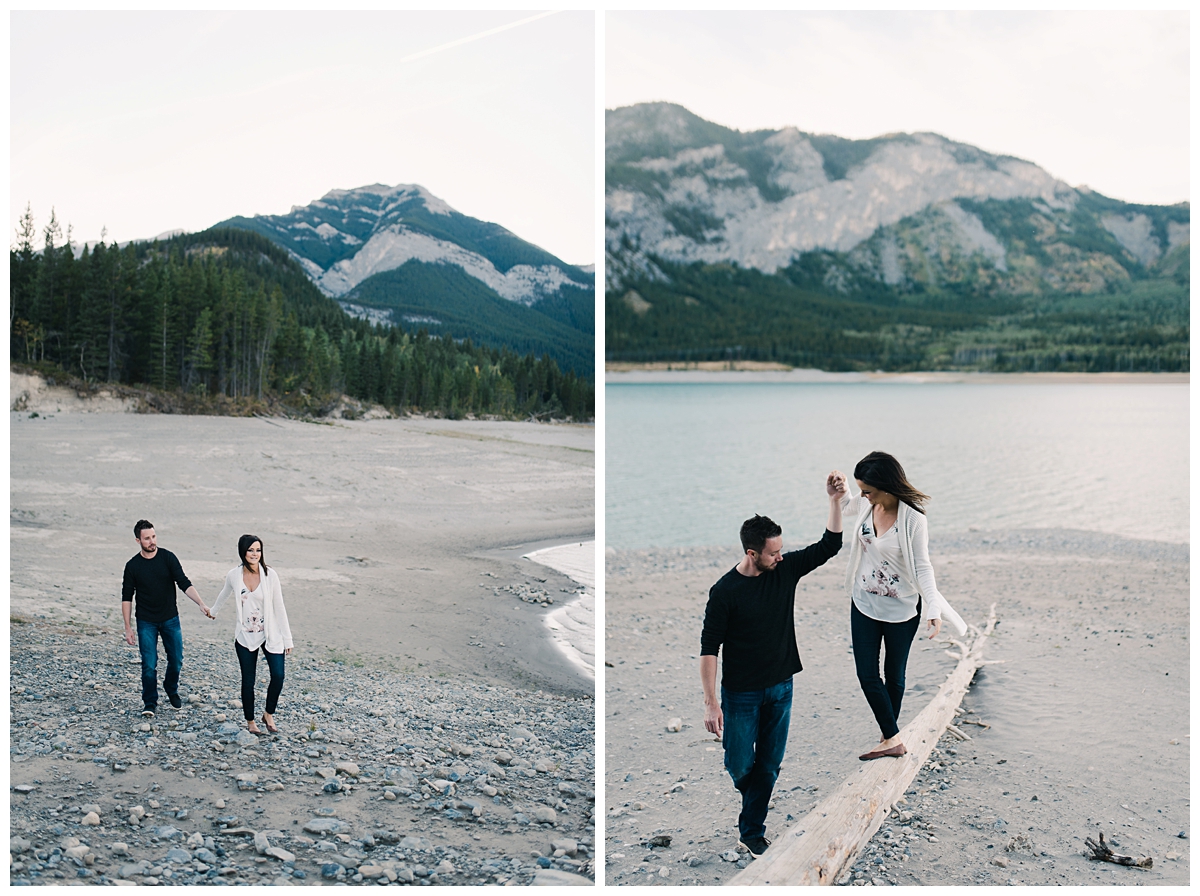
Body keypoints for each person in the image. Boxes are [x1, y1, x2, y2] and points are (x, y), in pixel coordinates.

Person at [699, 473, 845, 857]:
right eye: (773, 552)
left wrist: (833, 501)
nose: (780, 557)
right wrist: (711, 702)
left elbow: (830, 545)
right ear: (752, 554)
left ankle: (752, 833)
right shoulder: (725, 592)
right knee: (741, 764)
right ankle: (755, 802)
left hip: (782, 687)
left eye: (781, 550)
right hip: (741, 694)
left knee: (769, 765)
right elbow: (709, 649)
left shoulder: (785, 571)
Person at [836, 452, 966, 762]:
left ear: (886, 486)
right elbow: (846, 507)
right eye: (862, 490)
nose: (864, 496)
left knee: (894, 676)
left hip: (902, 610)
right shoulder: (868, 503)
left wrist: (933, 609)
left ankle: (887, 736)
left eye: (867, 490)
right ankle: (893, 737)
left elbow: (923, 568)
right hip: (864, 603)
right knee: (867, 674)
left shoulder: (913, 519)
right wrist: (843, 489)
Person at [122, 520, 213, 717]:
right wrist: (128, 627)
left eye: (153, 537)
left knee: (177, 659)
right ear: (138, 540)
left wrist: (201, 603)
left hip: (170, 618)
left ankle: (170, 688)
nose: (152, 541)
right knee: (148, 664)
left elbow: (183, 582)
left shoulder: (168, 558)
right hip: (146, 621)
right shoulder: (132, 566)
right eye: (147, 538)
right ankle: (150, 702)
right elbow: (126, 598)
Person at [210, 535, 293, 735]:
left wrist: (287, 637)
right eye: (250, 550)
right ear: (243, 552)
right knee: (248, 681)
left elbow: (279, 606)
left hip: (270, 633)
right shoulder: (234, 575)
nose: (255, 554)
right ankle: (250, 722)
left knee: (278, 675)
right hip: (246, 636)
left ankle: (268, 713)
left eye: (258, 550)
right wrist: (213, 611)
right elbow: (224, 593)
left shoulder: (270, 575)